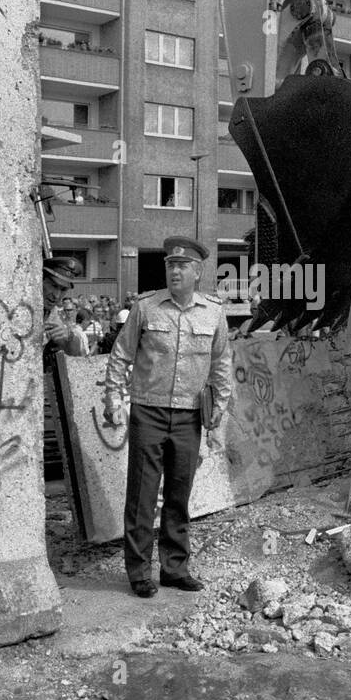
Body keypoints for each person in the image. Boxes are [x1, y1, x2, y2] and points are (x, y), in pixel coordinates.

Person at [104, 237, 233, 598]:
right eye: (170, 265)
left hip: (190, 417)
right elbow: (121, 355)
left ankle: (174, 569)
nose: (175, 270)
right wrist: (113, 397)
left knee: (179, 495)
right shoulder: (146, 308)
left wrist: (218, 409)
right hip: (149, 412)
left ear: (197, 272)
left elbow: (221, 362)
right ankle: (139, 572)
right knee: (142, 496)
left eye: (182, 265)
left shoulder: (213, 312)